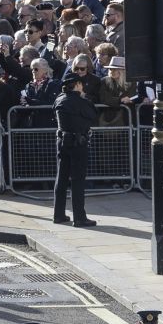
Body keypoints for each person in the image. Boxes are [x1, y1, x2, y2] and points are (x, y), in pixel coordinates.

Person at [53, 73, 98, 227]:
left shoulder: (59, 99)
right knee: (78, 181)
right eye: (81, 84)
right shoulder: (81, 101)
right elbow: (93, 116)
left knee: (62, 178)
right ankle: (79, 217)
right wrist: (84, 98)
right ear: (77, 84)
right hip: (78, 143)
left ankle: (58, 214)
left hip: (62, 142)